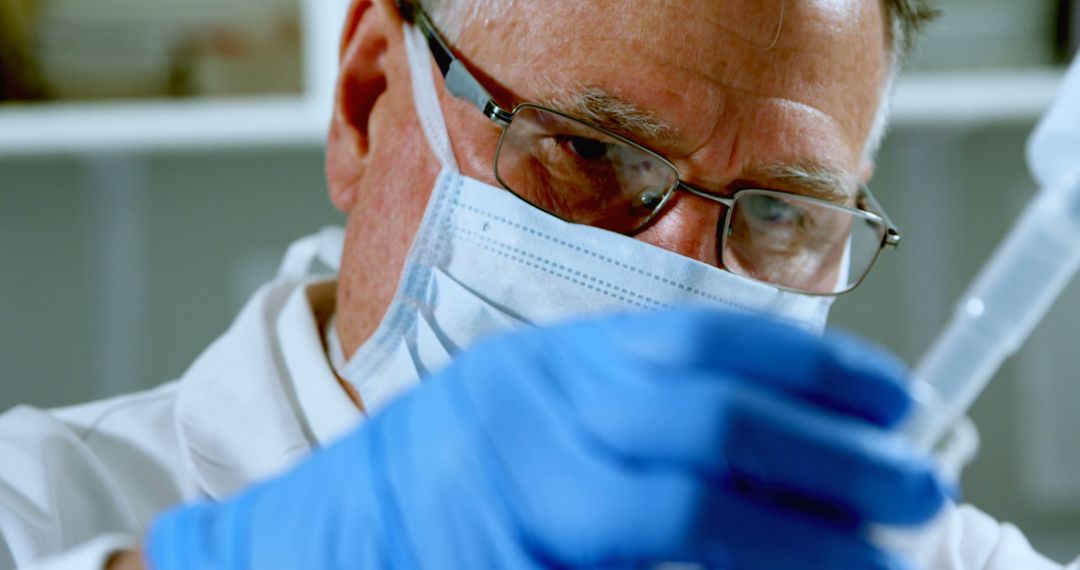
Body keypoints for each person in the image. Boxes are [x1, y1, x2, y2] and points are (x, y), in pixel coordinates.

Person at [0, 0, 1075, 568]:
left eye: (782, 210)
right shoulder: (39, 504)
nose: (674, 278)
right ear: (368, 96)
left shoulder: (924, 558)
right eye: (595, 153)